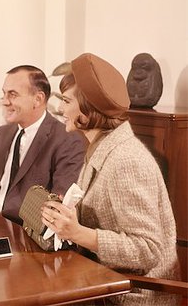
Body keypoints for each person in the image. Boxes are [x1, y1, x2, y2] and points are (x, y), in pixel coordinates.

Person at [41, 53, 180, 305]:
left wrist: (78, 232)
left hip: (132, 296)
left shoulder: (126, 161)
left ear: (89, 106)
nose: (60, 108)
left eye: (66, 100)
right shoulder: (101, 147)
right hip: (104, 283)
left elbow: (147, 250)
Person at [0, 65, 86, 225]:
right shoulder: (2, 134)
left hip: (26, 238)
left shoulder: (68, 140)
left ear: (38, 99)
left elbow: (59, 206)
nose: (4, 102)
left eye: (12, 94)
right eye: (3, 94)